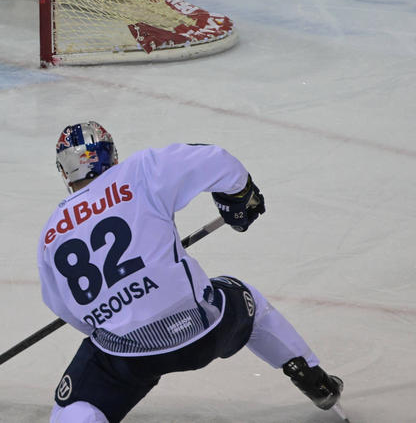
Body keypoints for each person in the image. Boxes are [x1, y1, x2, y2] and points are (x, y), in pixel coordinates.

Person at [38, 122, 344, 422]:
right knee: (246, 298)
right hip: (202, 332)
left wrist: (121, 316)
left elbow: (66, 308)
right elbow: (218, 161)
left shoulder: (50, 234)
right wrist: (238, 200)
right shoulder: (140, 171)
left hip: (128, 356)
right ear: (111, 155)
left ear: (64, 171)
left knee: (75, 405)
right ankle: (314, 378)